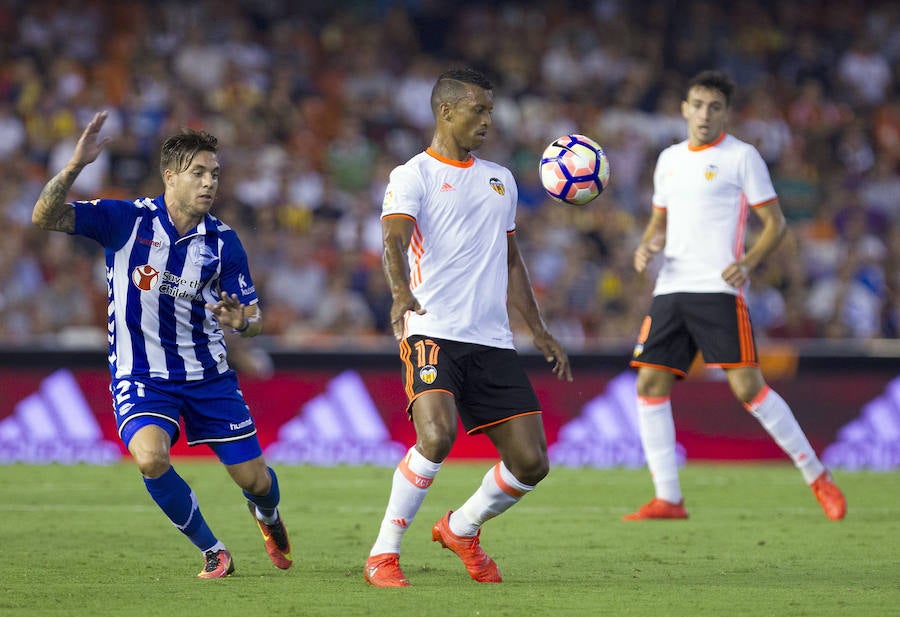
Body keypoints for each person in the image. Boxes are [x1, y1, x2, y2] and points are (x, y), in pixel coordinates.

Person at [31, 111, 293, 578]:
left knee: (255, 480)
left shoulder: (223, 244)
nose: (209, 182)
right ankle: (214, 551)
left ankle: (267, 515)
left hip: (208, 374)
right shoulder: (125, 219)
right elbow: (44, 216)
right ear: (170, 177)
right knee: (151, 458)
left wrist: (243, 322)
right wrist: (73, 168)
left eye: (214, 173)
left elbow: (253, 319)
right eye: (198, 173)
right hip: (141, 374)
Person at [363, 68, 572, 587]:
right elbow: (392, 241)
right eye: (477, 110)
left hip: (491, 339)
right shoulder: (413, 174)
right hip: (431, 328)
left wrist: (537, 328)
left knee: (531, 463)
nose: (487, 120)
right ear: (446, 112)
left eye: (490, 111)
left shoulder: (501, 178)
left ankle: (461, 527)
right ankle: (383, 555)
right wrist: (399, 294)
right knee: (436, 435)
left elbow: (510, 260)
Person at [627, 70, 847, 521]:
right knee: (649, 383)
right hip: (671, 286)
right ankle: (668, 497)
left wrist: (748, 263)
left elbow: (776, 224)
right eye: (697, 105)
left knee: (748, 387)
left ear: (725, 112)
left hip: (718, 287)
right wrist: (648, 243)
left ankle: (817, 475)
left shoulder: (741, 157)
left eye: (714, 107)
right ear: (684, 108)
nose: (704, 114)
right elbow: (658, 221)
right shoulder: (668, 159)